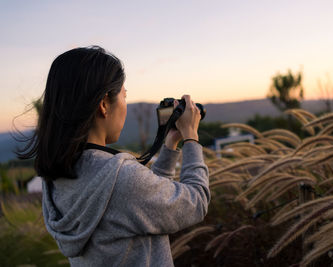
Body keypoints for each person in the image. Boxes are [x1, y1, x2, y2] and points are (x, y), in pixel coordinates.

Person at [18, 46, 210, 266]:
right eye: (124, 96)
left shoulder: (56, 175)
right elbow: (196, 202)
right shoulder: (121, 179)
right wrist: (192, 137)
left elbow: (145, 204)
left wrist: (170, 143)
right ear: (103, 104)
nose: (125, 105)